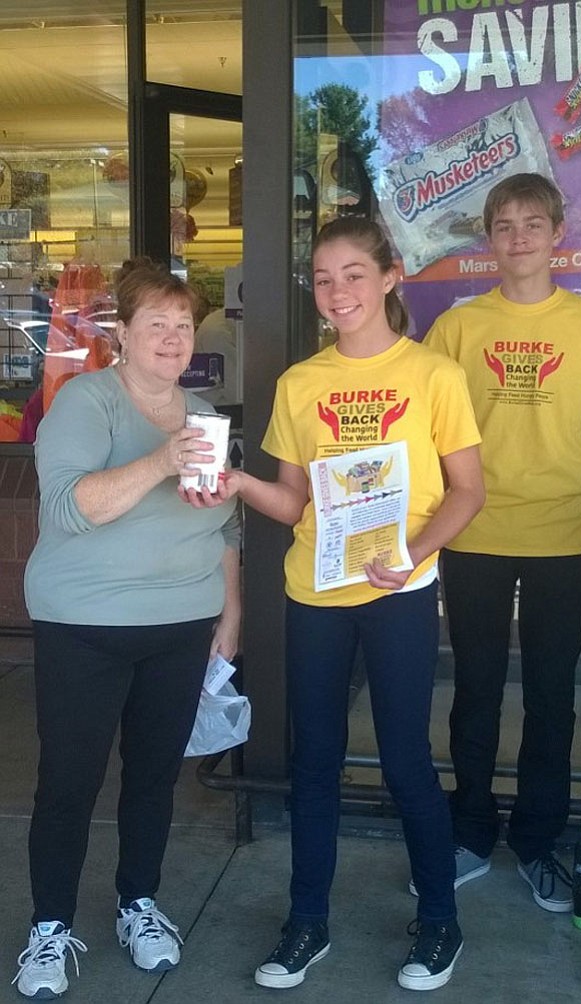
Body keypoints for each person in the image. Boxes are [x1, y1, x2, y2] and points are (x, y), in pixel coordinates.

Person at [189, 216, 485, 991]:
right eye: (323, 279)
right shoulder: (301, 382)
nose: (337, 292)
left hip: (400, 594)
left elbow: (468, 492)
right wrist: (242, 484)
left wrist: (413, 555)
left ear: (390, 277)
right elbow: (291, 504)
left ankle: (441, 923)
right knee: (312, 763)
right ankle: (307, 921)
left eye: (353, 273)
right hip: (314, 592)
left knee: (406, 762)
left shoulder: (433, 375)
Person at [13, 258, 241, 999]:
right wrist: (159, 461)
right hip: (85, 624)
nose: (173, 339)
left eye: (183, 325)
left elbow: (227, 527)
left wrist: (229, 615)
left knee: (152, 779)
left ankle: (137, 904)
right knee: (69, 784)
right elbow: (70, 508)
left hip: (182, 623)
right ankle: (50, 926)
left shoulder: (204, 413)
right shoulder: (87, 401)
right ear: (124, 334)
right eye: (158, 325)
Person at [424, 173, 581, 912]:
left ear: (559, 235)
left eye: (531, 224)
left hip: (562, 538)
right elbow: (426, 429)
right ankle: (469, 833)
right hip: (476, 533)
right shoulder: (458, 328)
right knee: (477, 692)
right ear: (488, 240)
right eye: (503, 225)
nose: (517, 237)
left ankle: (536, 838)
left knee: (552, 698)